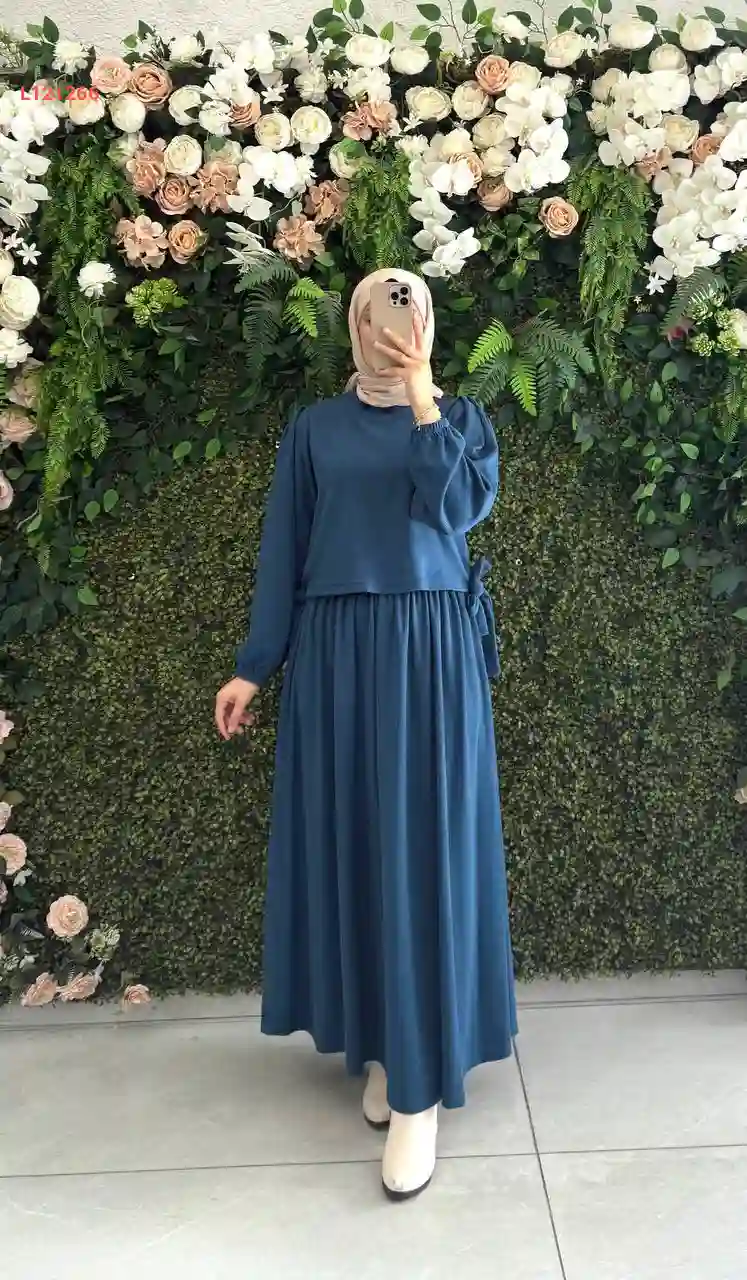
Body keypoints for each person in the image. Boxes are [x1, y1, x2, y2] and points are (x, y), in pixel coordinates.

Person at [215, 268, 517, 1202]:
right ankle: (387, 1045)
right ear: (353, 324)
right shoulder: (313, 428)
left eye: (409, 310)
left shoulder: (460, 420)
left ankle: (421, 1088)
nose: (392, 326)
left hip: (430, 657)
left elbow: (456, 512)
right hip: (338, 654)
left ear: (427, 323)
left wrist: (423, 396)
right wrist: (254, 665)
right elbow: (283, 549)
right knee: (361, 847)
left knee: (424, 851)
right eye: (378, 313)